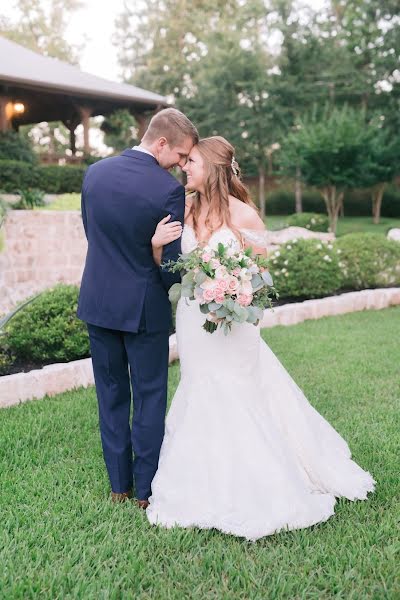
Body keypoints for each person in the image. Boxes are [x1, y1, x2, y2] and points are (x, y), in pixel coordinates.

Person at [146, 136, 375, 541]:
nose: (185, 167)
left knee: (236, 390)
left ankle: (259, 480)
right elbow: (170, 269)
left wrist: (235, 291)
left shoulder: (245, 216)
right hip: (191, 318)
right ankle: (203, 474)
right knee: (199, 388)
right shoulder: (184, 206)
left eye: (192, 161)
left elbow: (261, 278)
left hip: (233, 325)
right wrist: (154, 246)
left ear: (214, 167)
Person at [77, 108, 198, 507]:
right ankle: (146, 490)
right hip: (143, 309)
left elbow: (92, 235)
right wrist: (156, 256)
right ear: (161, 143)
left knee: (110, 395)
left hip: (97, 301)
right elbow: (171, 266)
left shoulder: (94, 174)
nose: (181, 166)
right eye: (180, 156)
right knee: (149, 396)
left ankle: (119, 486)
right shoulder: (167, 190)